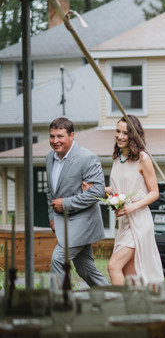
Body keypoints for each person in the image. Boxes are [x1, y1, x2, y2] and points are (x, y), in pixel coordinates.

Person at [84, 115, 164, 286]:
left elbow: (154, 192)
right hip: (123, 223)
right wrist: (95, 188)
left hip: (139, 222)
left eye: (125, 133)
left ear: (133, 135)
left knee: (113, 266)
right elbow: (119, 189)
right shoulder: (117, 158)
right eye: (118, 131)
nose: (120, 136)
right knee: (130, 275)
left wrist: (132, 207)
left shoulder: (143, 158)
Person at [46, 117, 110, 286]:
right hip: (64, 223)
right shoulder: (49, 158)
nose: (55, 141)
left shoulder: (87, 158)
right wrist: (52, 215)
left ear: (72, 135)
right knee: (85, 268)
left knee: (58, 259)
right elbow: (50, 190)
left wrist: (65, 204)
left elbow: (97, 191)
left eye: (60, 136)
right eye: (52, 136)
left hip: (83, 222)